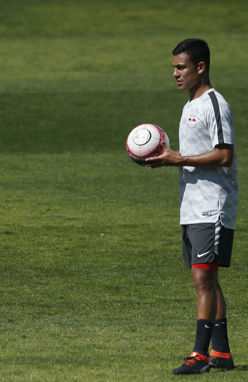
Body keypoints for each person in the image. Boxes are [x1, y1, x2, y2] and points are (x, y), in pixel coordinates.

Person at [147, 39, 237, 374]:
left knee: (204, 280)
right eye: (174, 67)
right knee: (208, 280)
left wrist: (177, 158)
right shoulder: (189, 106)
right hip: (193, 205)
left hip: (212, 205)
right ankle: (223, 354)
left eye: (181, 67)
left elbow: (224, 154)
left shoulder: (215, 104)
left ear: (200, 67)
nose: (175, 73)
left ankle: (199, 356)